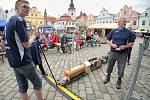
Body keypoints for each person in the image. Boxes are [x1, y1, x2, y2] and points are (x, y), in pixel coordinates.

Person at [4, 0, 44, 99]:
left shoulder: (9, 21)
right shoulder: (19, 20)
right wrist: (34, 36)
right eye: (24, 6)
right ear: (17, 8)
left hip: (13, 60)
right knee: (37, 82)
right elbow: (26, 45)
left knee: (22, 86)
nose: (27, 9)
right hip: (23, 60)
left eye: (28, 7)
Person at [103, 17, 135, 89]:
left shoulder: (129, 32)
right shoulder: (114, 31)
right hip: (113, 52)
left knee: (121, 67)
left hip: (123, 53)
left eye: (125, 21)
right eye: (123, 21)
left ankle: (119, 80)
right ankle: (108, 77)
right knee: (110, 65)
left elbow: (132, 43)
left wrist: (125, 46)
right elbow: (107, 40)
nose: (125, 23)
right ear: (119, 22)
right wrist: (112, 45)